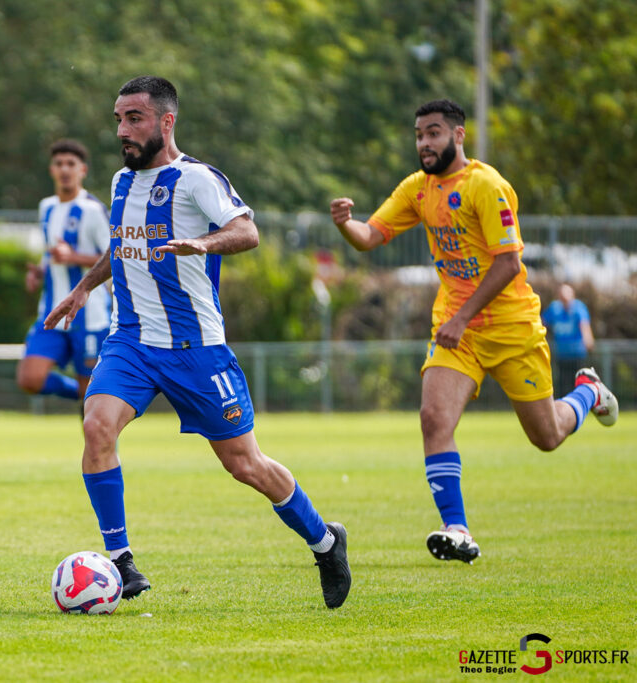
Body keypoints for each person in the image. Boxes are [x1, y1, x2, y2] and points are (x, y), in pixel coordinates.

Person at [45, 76, 351, 609]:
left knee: (245, 465)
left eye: (134, 118)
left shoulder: (196, 179)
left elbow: (247, 231)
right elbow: (121, 248)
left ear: (166, 121)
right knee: (97, 426)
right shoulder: (120, 183)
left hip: (196, 349)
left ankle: (325, 542)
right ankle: (121, 563)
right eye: (118, 119)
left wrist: (201, 243)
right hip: (133, 342)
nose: (122, 129)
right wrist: (81, 289)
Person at [329, 99, 618, 564]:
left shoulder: (486, 185)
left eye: (435, 133)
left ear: (459, 136)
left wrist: (463, 317)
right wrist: (346, 225)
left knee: (546, 436)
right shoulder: (417, 189)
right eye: (420, 134)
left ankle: (587, 392)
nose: (425, 143)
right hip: (455, 332)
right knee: (433, 420)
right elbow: (370, 238)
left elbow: (508, 264)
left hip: (511, 327)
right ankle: (456, 528)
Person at [16, 139, 111, 404]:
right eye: (59, 164)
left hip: (89, 316)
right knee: (30, 379)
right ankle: (82, 394)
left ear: (83, 170)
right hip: (51, 312)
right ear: (51, 170)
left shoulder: (93, 210)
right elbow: (51, 251)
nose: (65, 169)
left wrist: (74, 257)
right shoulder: (46, 207)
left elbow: (115, 255)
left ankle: (89, 401)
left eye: (71, 164)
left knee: (92, 401)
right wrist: (40, 270)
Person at [541, 283, 595, 395]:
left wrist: (588, 340)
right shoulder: (554, 308)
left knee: (577, 383)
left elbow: (584, 325)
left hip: (577, 353)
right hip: (562, 354)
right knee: (562, 384)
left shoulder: (578, 308)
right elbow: (542, 322)